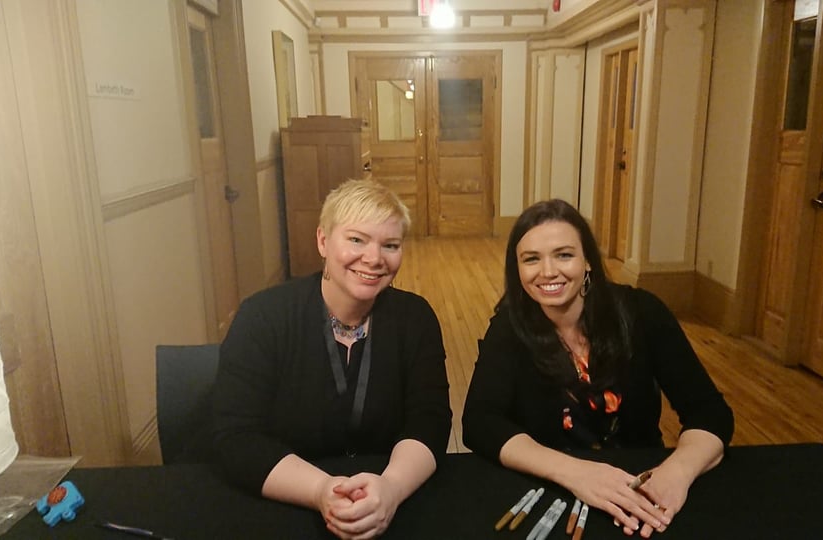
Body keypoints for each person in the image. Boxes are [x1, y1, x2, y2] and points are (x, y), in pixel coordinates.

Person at [462, 199, 733, 539]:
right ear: (517, 270)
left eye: (564, 254)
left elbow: (710, 413)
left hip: (643, 484)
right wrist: (575, 473)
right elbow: (480, 421)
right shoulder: (509, 327)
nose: (547, 271)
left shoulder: (642, 313)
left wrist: (676, 473)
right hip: (557, 486)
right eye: (531, 259)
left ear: (588, 260)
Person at [213, 179, 451, 540]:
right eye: (356, 240)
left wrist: (391, 490)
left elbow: (430, 421)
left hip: (387, 506)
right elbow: (236, 438)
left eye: (390, 245)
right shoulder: (263, 316)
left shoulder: (415, 318)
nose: (374, 259)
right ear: (323, 241)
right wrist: (321, 492)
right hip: (284, 505)